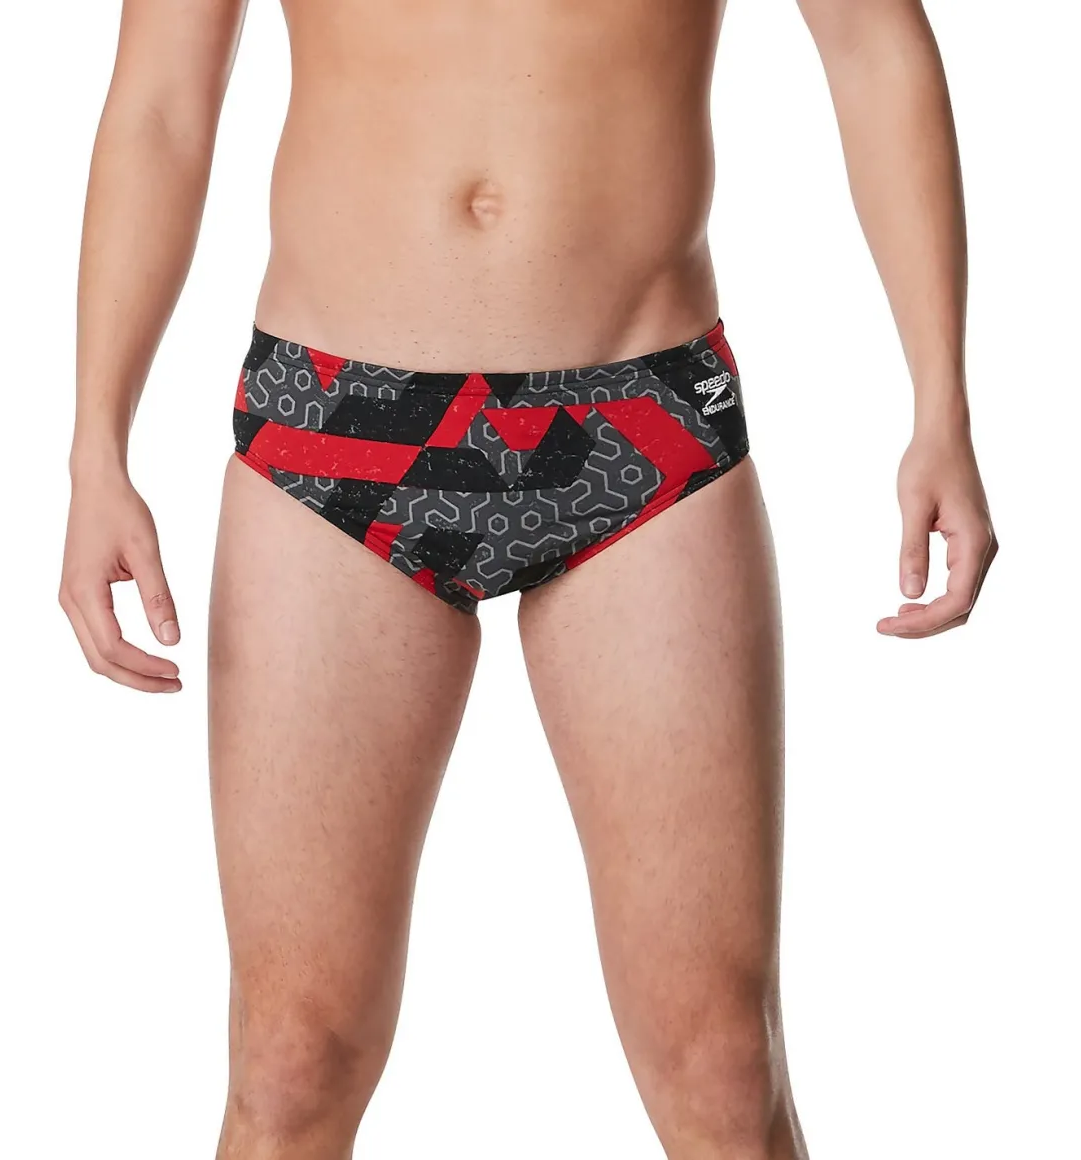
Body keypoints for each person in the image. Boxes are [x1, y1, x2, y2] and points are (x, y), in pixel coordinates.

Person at [59, 0, 997, 1155]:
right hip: (334, 423)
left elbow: (871, 46)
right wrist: (96, 447)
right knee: (291, 1057)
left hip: (638, 415)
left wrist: (941, 405)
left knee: (720, 1063)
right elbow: (161, 103)